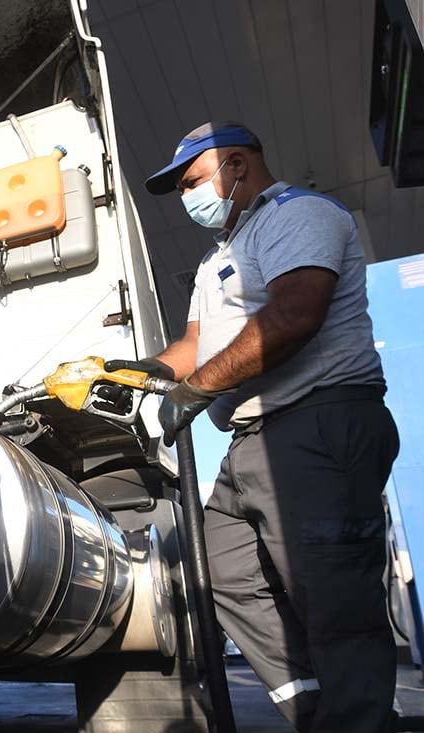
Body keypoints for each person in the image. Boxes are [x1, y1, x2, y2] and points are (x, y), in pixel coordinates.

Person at [107, 121, 400, 732]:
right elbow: (194, 343)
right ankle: (320, 711)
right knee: (220, 570)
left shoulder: (298, 214)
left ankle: (359, 719)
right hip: (252, 439)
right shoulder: (220, 253)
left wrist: (196, 389)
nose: (191, 198)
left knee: (333, 598)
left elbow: (295, 314)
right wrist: (132, 373)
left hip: (316, 422)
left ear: (235, 165)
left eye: (194, 182)